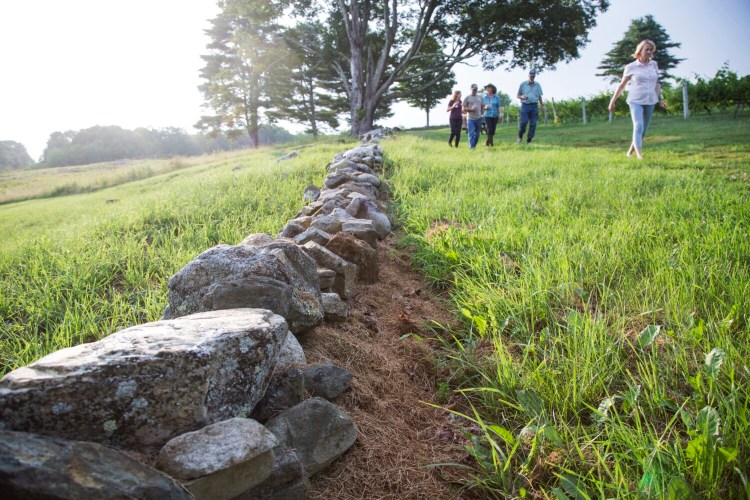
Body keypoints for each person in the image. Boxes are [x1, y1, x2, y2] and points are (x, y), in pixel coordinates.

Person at [608, 39, 666, 160]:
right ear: (640, 51)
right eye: (647, 49)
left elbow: (657, 83)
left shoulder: (654, 64)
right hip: (635, 100)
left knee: (643, 131)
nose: (649, 52)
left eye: (651, 50)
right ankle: (640, 156)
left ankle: (630, 151)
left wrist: (661, 99)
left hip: (651, 100)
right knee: (638, 126)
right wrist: (612, 101)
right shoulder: (631, 67)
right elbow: (622, 85)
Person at [516, 69, 544, 144]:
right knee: (524, 122)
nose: (532, 77)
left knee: (533, 123)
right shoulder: (523, 84)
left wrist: (542, 105)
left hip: (534, 106)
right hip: (525, 105)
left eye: (533, 76)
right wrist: (522, 97)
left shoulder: (537, 85)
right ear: (528, 75)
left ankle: (529, 140)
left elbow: (540, 96)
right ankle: (520, 136)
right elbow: (517, 95)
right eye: (531, 76)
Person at [463, 84, 484, 149]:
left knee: (477, 134)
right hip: (470, 118)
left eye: (476, 89)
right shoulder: (467, 98)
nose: (475, 91)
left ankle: (473, 145)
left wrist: (482, 112)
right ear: (471, 89)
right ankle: (472, 147)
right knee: (471, 133)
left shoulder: (480, 97)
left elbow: (483, 106)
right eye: (473, 89)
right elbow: (463, 109)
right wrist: (471, 109)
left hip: (479, 118)